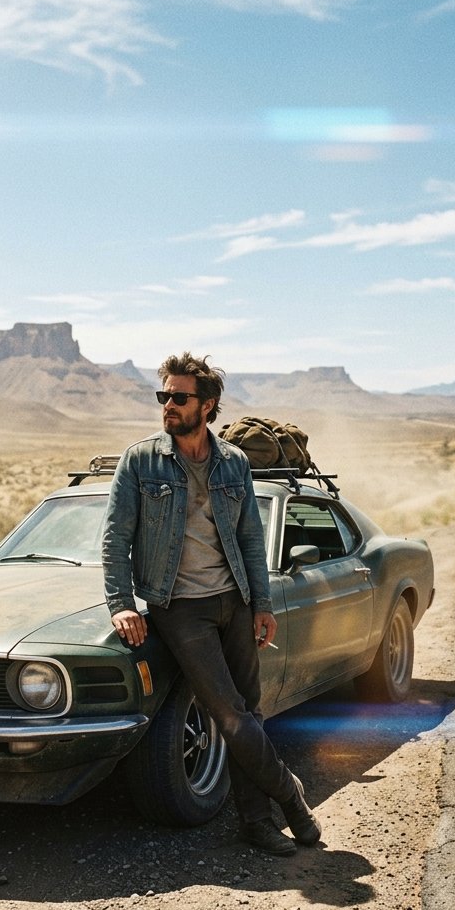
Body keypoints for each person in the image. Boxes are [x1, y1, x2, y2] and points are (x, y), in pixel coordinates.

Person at [101, 351, 321, 856]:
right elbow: (116, 538)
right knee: (230, 716)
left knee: (250, 713)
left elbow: (249, 536)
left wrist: (261, 602)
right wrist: (121, 602)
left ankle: (254, 822)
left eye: (179, 398)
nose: (168, 406)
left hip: (235, 602)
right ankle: (291, 796)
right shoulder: (141, 461)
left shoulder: (233, 462)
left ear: (209, 405)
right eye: (164, 397)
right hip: (182, 608)